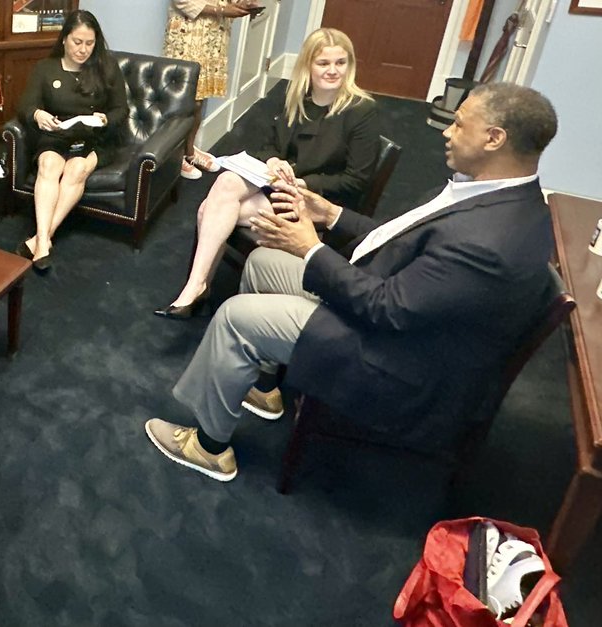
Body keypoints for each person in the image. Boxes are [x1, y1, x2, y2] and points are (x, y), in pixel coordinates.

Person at [144, 83, 558, 483]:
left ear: (494, 138)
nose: (447, 131)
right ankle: (264, 388)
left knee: (237, 317)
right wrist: (329, 214)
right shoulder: (493, 195)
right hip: (396, 311)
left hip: (396, 360)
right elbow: (400, 239)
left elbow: (385, 309)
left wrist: (309, 248)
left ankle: (209, 448)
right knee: (264, 262)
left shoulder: (489, 239)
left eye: (460, 124)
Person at [156, 28, 379, 319]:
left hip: (317, 200)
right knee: (225, 183)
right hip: (279, 184)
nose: (333, 71)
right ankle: (197, 286)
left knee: (207, 210)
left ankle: (196, 288)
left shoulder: (361, 111)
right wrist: (273, 160)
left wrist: (303, 182)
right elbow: (268, 146)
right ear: (308, 65)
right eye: (323, 63)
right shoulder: (297, 98)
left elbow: (357, 180)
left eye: (340, 62)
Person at [15, 10, 127, 273]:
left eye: (90, 43)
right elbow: (25, 105)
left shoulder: (107, 67)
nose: (83, 50)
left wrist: (105, 119)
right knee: (49, 166)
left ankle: (40, 240)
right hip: (57, 134)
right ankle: (44, 239)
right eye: (78, 42)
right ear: (65, 39)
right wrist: (37, 114)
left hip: (95, 137)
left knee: (76, 169)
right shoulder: (45, 68)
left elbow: (121, 110)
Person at [163, 0, 260, 180]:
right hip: (188, 31)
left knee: (200, 98)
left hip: (214, 33)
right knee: (184, 99)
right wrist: (221, 9)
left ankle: (189, 150)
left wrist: (242, 3)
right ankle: (173, 157)